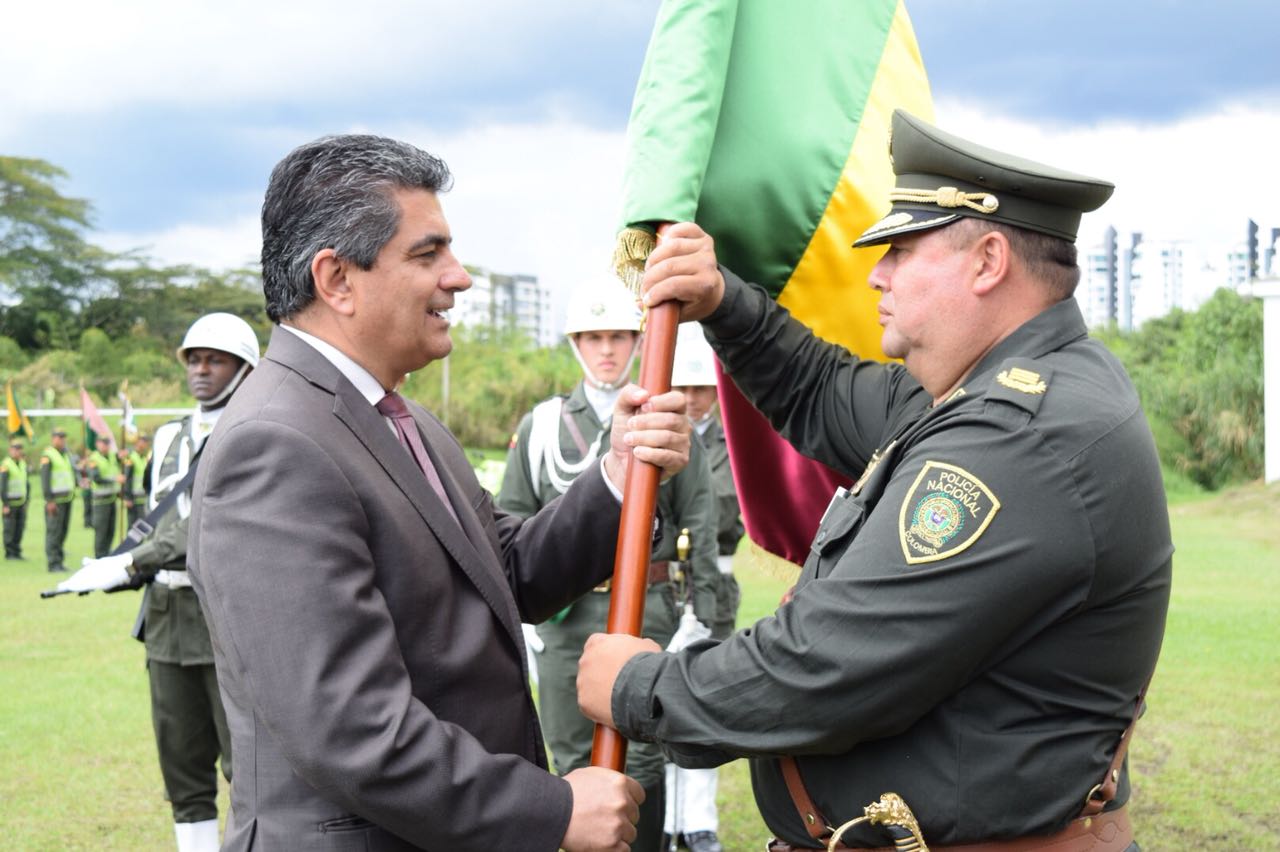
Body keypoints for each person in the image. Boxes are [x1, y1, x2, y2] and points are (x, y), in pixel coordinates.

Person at [577, 110, 1172, 851]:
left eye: (901, 250)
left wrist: (641, 688)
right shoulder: (996, 390)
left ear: (988, 262)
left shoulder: (1018, 436)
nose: (876, 274)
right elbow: (824, 391)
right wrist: (724, 303)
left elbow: (825, 667)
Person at [186, 133, 692, 852]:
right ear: (336, 280)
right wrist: (549, 811)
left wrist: (616, 474)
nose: (458, 278)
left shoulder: (400, 418)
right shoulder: (275, 445)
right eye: (427, 255)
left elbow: (504, 574)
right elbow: (352, 729)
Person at [497, 282, 719, 852]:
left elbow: (699, 516)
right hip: (565, 619)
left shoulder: (661, 415)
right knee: (569, 754)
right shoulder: (542, 425)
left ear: (637, 340)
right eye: (593, 338)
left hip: (647, 609)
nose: (606, 351)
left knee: (643, 752)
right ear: (575, 344)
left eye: (617, 336)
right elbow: (515, 521)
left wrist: (705, 614)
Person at [58, 312, 259, 852]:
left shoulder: (256, 430)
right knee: (182, 764)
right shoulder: (169, 435)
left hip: (228, 617)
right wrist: (115, 567)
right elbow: (160, 516)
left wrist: (131, 562)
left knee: (249, 766)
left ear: (245, 368)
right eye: (193, 359)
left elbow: (211, 526)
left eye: (215, 359)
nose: (200, 369)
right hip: (168, 616)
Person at [660, 324, 746, 852]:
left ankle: (701, 821)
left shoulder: (735, 440)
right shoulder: (662, 432)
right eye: (684, 389)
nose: (692, 399)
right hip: (667, 586)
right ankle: (668, 819)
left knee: (707, 705)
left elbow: (730, 508)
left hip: (718, 580)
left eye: (701, 388)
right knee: (661, 702)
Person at [39, 428, 75, 573]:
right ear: (53, 438)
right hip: (55, 501)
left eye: (63, 437)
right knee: (54, 532)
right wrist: (50, 500)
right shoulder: (48, 456)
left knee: (62, 532)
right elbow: (45, 480)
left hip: (67, 499)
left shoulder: (65, 454)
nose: (61, 440)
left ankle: (59, 561)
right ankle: (53, 563)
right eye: (59, 437)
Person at [85, 433, 123, 557]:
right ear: (97, 444)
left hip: (112, 499)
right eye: (103, 443)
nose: (105, 446)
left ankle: (107, 554)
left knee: (110, 531)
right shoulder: (94, 459)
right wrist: (115, 479)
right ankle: (99, 555)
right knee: (101, 531)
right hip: (100, 501)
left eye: (107, 444)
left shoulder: (112, 456)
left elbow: (120, 459)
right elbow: (96, 478)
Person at [2, 440, 31, 560]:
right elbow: (2, 486)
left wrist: (27, 500)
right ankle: (10, 553)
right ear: (10, 450)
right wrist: (5, 504)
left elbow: (26, 483)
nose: (17, 451)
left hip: (21, 502)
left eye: (19, 449)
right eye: (15, 449)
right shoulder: (6, 465)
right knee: (10, 528)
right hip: (10, 503)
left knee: (20, 527)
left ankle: (17, 551)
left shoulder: (23, 464)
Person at [122, 432, 151, 528]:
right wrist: (127, 497)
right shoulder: (131, 458)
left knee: (141, 527)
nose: (144, 444)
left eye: (146, 442)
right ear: (137, 443)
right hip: (133, 499)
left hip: (142, 498)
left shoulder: (144, 458)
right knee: (132, 527)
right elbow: (127, 479)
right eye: (142, 441)